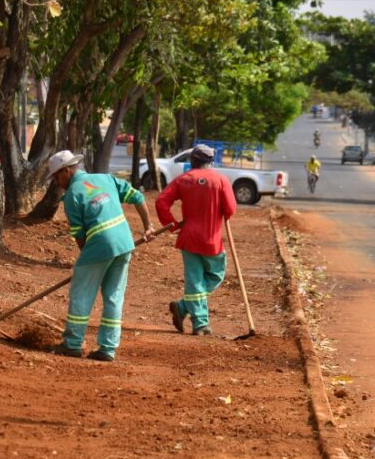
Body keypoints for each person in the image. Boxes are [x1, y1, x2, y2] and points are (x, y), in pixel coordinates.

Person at [48, 150, 155, 362]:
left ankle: (73, 344)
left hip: (99, 245)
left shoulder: (72, 197)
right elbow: (138, 197)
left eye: (56, 177)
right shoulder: (105, 178)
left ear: (67, 171)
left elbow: (80, 237)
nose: (56, 182)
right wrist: (148, 226)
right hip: (124, 243)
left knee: (81, 294)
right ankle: (107, 348)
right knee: (114, 296)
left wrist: (89, 266)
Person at [155, 144, 237, 336]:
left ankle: (182, 307)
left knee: (195, 281)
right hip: (212, 239)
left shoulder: (183, 180)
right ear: (210, 162)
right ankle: (200, 323)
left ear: (192, 161)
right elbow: (230, 209)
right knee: (215, 276)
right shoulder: (221, 180)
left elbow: (161, 202)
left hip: (189, 238)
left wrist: (172, 224)